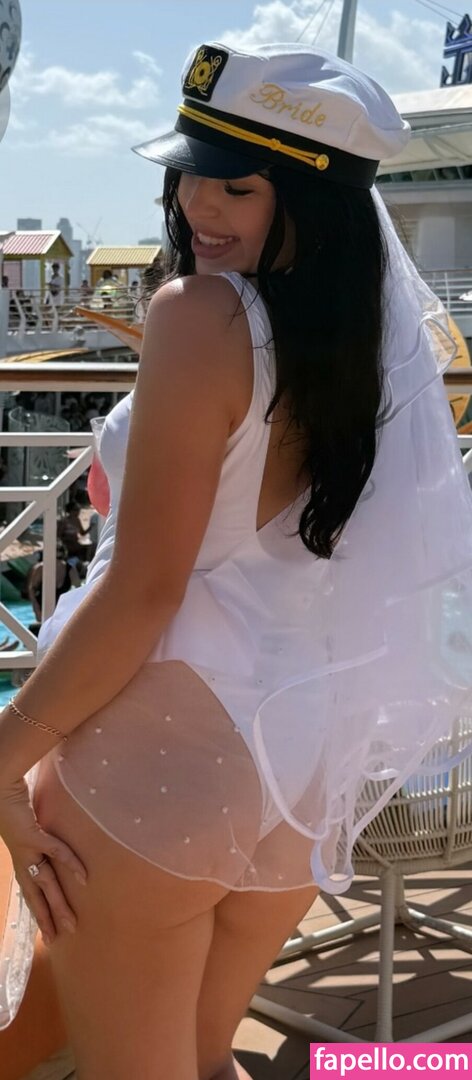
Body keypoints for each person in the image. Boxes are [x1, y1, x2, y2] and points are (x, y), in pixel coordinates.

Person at [0, 42, 471, 1079]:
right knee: (205, 1061)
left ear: (314, 199)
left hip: (161, 754)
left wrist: (2, 754)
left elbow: (145, 592)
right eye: (189, 175)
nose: (197, 204)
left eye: (238, 186)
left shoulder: (197, 316)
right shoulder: (369, 345)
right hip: (295, 761)